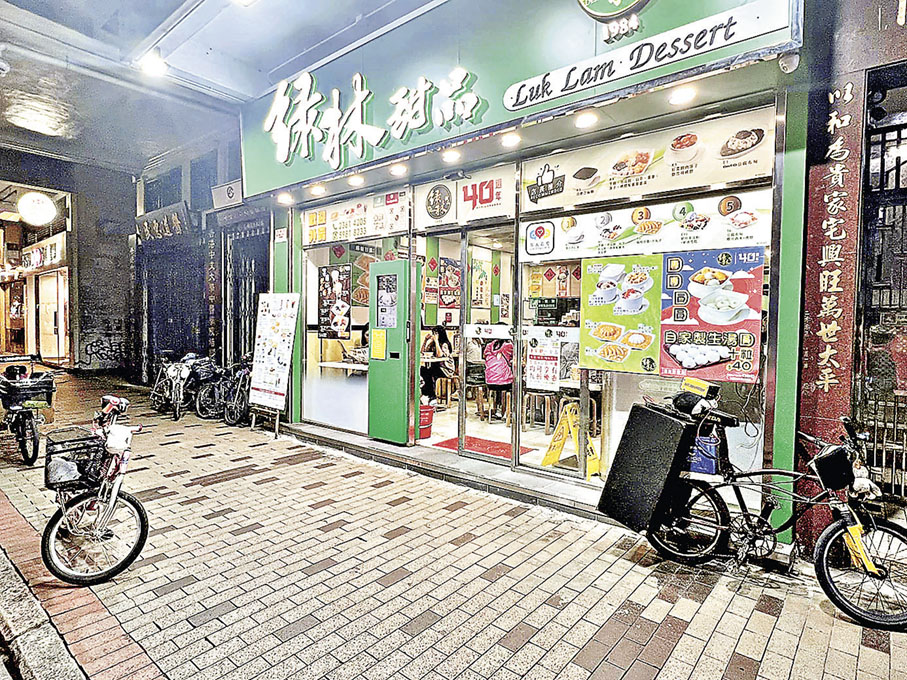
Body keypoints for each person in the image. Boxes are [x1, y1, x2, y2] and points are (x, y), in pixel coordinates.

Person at [484, 330, 514, 419]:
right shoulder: (509, 346)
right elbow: (514, 357)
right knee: (513, 386)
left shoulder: (489, 346)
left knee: (498, 384)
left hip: (489, 382)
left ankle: (497, 409)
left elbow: (485, 356)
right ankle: (507, 411)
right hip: (504, 382)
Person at [421, 327, 454, 405]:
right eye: (433, 333)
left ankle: (432, 396)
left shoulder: (445, 344)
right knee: (422, 370)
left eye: (435, 333)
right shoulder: (432, 343)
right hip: (436, 367)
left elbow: (440, 355)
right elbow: (422, 352)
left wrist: (436, 341)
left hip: (445, 369)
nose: (434, 335)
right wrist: (425, 340)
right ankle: (428, 394)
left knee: (430, 373)